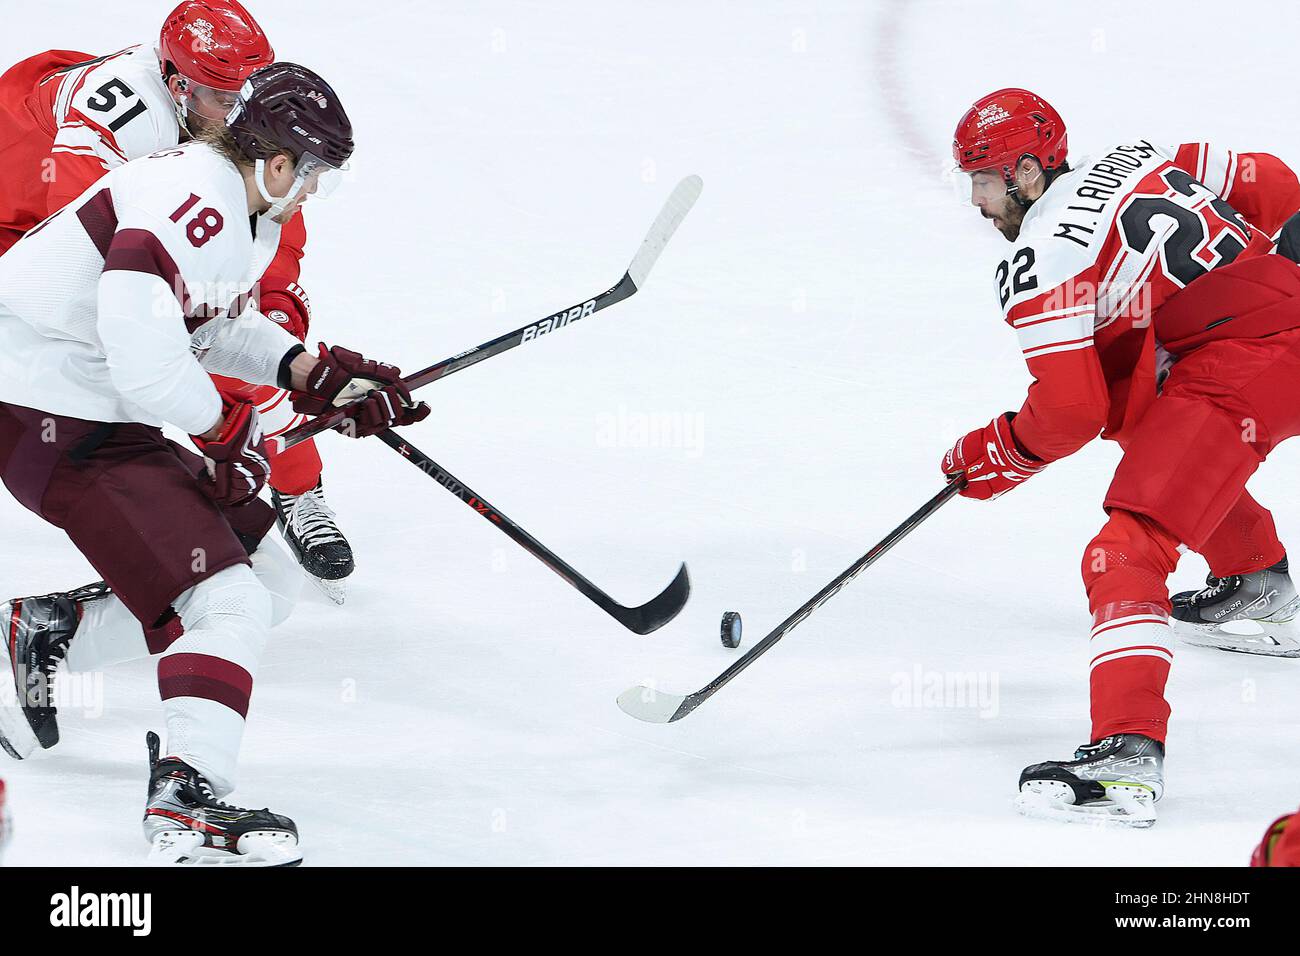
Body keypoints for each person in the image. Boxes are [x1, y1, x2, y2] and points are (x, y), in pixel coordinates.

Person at [0, 62, 428, 865]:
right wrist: (229, 430)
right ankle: (186, 802)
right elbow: (141, 354)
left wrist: (311, 371)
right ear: (277, 164)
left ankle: (45, 635)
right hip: (44, 411)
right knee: (226, 600)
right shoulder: (193, 202)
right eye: (314, 179)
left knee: (269, 581)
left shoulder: (233, 204)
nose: (310, 196)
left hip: (80, 405)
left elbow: (201, 324)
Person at [943, 88, 1300, 826]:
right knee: (1148, 421)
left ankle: (1126, 756)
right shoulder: (1145, 153)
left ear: (1031, 173)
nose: (977, 201)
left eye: (985, 180)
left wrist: (996, 451)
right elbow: (1274, 184)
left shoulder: (1044, 257)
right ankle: (1259, 582)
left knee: (1124, 551)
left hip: (1247, 363)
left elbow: (1071, 412)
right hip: (1276, 315)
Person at [0, 0, 357, 598]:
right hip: (26, 218)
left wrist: (278, 315)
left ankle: (296, 486)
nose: (238, 110)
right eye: (222, 98)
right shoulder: (109, 125)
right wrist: (222, 419)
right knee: (171, 346)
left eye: (247, 94)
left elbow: (269, 217)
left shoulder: (237, 126)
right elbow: (118, 294)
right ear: (175, 84)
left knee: (238, 340)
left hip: (127, 210)